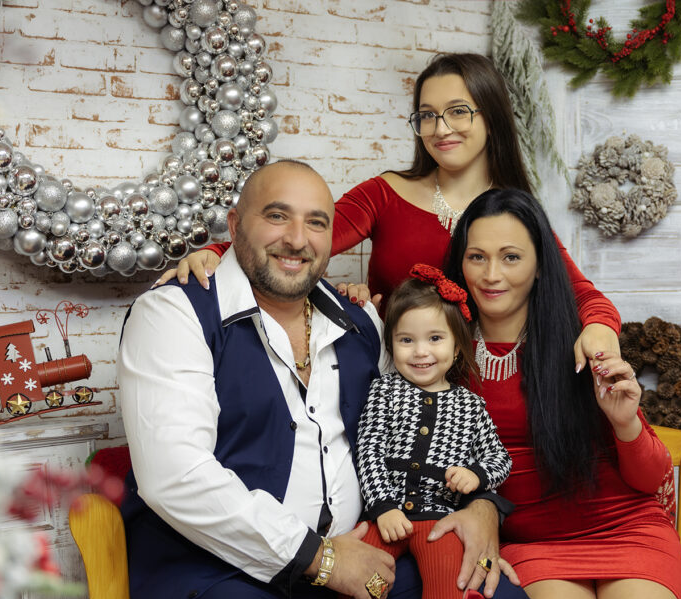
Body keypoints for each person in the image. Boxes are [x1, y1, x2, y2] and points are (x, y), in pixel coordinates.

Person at [117, 160, 534, 599]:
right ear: (235, 225)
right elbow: (175, 476)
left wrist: (482, 506)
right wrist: (323, 559)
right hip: (220, 577)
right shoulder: (174, 314)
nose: (297, 239)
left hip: (359, 564)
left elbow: (415, 433)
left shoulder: (361, 321)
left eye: (316, 222)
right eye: (277, 216)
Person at [156, 52, 621, 372]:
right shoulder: (384, 193)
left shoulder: (514, 213)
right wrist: (219, 251)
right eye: (427, 115)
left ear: (491, 117)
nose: (441, 129)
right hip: (392, 384)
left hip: (483, 390)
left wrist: (601, 329)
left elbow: (582, 294)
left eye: (458, 111)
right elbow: (301, 238)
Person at [444, 188, 681, 599]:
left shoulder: (580, 341)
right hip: (535, 544)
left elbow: (651, 480)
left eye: (511, 257)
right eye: (477, 257)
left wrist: (624, 422)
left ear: (541, 265)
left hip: (627, 530)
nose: (491, 275)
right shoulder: (440, 349)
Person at [335, 264, 512, 599]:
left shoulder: (470, 406)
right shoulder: (385, 390)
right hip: (388, 515)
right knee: (361, 584)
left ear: (457, 345)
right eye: (406, 340)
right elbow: (369, 449)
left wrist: (476, 474)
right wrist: (382, 506)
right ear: (391, 343)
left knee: (447, 585)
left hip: (438, 519)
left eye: (434, 339)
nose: (420, 352)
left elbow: (500, 458)